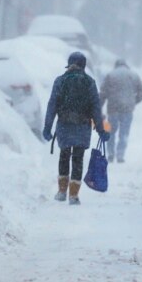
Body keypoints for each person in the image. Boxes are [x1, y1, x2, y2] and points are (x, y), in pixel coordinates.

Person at [43, 51, 108, 205]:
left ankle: (61, 191)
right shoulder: (89, 82)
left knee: (64, 156)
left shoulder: (60, 81)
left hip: (64, 125)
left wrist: (48, 127)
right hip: (82, 126)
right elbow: (95, 108)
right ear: (83, 65)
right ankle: (73, 195)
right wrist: (100, 129)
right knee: (78, 159)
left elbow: (52, 105)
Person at [99, 59, 142, 163]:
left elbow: (103, 93)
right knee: (124, 133)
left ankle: (111, 154)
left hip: (113, 108)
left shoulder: (110, 75)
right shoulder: (133, 75)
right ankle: (120, 155)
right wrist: (134, 101)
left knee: (111, 132)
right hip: (127, 109)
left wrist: (98, 108)